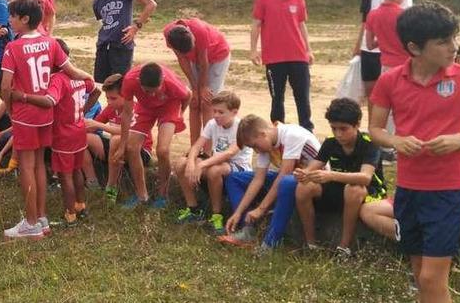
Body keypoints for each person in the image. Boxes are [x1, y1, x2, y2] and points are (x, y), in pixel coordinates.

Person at [367, 1, 460, 302]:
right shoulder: (390, 81)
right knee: (419, 274)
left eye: (454, 37)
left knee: (431, 277)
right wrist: (396, 141)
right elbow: (375, 129)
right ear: (414, 48)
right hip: (409, 190)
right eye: (443, 42)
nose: (454, 47)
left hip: (448, 190)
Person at [0, 0, 92, 239]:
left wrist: (11, 109)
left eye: (12, 16)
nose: (9, 20)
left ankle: (31, 223)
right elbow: (72, 71)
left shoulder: (13, 47)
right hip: (46, 114)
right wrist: (90, 79)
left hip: (25, 114)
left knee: (27, 166)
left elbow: (6, 85)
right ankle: (41, 217)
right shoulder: (51, 42)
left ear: (24, 19)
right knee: (40, 163)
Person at [10, 39, 101, 227]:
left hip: (64, 135)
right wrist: (82, 111)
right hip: (79, 130)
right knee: (76, 170)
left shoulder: (58, 79)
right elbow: (96, 91)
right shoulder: (79, 75)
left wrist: (23, 97)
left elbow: (49, 101)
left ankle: (70, 215)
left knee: (64, 176)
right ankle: (81, 206)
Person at [294, 98, 386, 257]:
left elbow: (365, 178)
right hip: (339, 188)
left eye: (343, 129)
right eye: (334, 128)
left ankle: (343, 248)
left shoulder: (370, 144)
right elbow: (312, 168)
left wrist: (331, 175)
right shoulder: (330, 143)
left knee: (353, 189)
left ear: (357, 125)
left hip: (370, 193)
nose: (338, 134)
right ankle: (311, 244)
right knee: (304, 187)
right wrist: (304, 174)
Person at [219, 115, 321, 252]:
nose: (255, 151)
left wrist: (261, 209)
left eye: (254, 145)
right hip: (292, 178)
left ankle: (270, 243)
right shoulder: (267, 144)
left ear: (263, 134)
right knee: (234, 178)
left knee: (286, 182)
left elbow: (285, 174)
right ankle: (247, 229)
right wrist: (238, 212)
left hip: (315, 181)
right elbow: (258, 179)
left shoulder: (292, 135)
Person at [360, 147, 460, 248]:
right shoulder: (431, 147)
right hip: (425, 200)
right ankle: (416, 244)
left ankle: (450, 256)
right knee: (368, 210)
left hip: (457, 205)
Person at [173, 91, 251, 234]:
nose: (215, 115)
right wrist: (191, 163)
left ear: (234, 112)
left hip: (238, 166)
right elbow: (197, 146)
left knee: (214, 169)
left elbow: (230, 153)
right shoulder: (212, 123)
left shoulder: (241, 127)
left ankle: (217, 215)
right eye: (214, 111)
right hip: (216, 162)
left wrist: (201, 164)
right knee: (180, 163)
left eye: (221, 112)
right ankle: (194, 209)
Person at [250, 0, 315, 132]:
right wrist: (253, 50)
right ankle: (278, 134)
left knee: (303, 97)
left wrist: (308, 49)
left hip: (298, 56)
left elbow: (301, 25)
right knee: (277, 98)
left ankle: (307, 132)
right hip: (274, 58)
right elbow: (256, 25)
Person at [116, 62, 191, 209]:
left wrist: (180, 114)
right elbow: (126, 113)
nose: (151, 94)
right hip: (145, 108)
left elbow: (188, 95)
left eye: (155, 91)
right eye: (147, 91)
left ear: (162, 81)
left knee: (163, 150)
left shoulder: (171, 82)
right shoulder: (130, 80)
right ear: (139, 82)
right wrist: (122, 144)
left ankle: (162, 195)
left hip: (169, 106)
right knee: (132, 148)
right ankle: (141, 195)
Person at [352, 0, 414, 110]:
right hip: (369, 46)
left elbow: (404, 21)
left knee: (393, 92)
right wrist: (358, 45)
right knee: (372, 92)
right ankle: (374, 128)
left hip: (388, 49)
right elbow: (365, 19)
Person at [86, 0, 157, 83]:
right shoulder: (97, 2)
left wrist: (136, 26)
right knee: (101, 84)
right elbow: (103, 23)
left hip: (121, 45)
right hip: (103, 47)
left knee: (121, 85)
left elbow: (151, 4)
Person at [84, 74, 152, 203]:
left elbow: (129, 133)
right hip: (117, 148)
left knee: (115, 139)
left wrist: (98, 125)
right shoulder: (111, 109)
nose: (109, 102)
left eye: (113, 98)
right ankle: (92, 182)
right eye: (107, 98)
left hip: (139, 151)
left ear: (126, 95)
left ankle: (111, 189)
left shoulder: (136, 108)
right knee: (83, 138)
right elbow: (92, 127)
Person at [163, 18, 231, 145]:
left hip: (217, 56)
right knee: (194, 102)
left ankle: (207, 150)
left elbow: (203, 61)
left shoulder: (199, 30)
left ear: (191, 36)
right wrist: (194, 88)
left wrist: (203, 87)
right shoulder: (169, 34)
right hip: (195, 60)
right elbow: (183, 60)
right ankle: (194, 147)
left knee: (207, 103)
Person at [364, 0, 410, 70]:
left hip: (386, 66)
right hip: (405, 64)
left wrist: (383, 38)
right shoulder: (405, 15)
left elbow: (369, 45)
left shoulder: (372, 15)